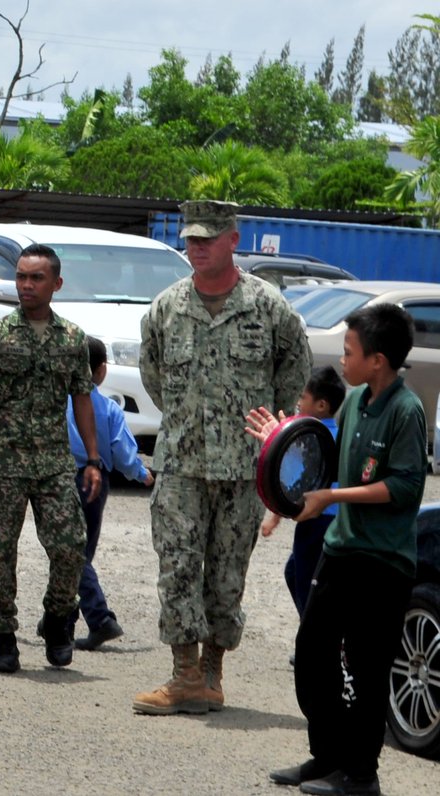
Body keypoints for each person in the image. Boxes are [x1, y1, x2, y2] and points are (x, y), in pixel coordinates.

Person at [134, 200, 310, 715]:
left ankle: (212, 674)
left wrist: (265, 434)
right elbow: (155, 377)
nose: (197, 247)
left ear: (233, 240)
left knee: (228, 572)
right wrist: (189, 422)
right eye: (191, 239)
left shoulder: (268, 306)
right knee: (178, 566)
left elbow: (292, 372)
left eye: (207, 238)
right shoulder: (166, 307)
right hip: (182, 465)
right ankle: (184, 674)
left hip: (243, 467)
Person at [257, 305, 426, 796]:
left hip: (382, 561)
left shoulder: (405, 410)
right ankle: (327, 755)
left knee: (368, 668)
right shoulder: (354, 401)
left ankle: (360, 775)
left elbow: (404, 488)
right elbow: (324, 462)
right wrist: (279, 443)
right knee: (313, 653)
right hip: (341, 550)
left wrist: (331, 498)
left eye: (350, 351)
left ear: (378, 360)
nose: (343, 359)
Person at [0, 244, 100, 673]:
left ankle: (59, 618)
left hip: (54, 462)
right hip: (6, 461)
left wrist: (93, 459)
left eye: (36, 278)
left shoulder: (74, 339)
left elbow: (82, 399)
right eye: (21, 276)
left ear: (56, 283)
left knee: (69, 547)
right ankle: (3, 638)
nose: (26, 285)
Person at [62, 336, 153, 651]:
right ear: (101, 371)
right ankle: (60, 617)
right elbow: (122, 449)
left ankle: (97, 618)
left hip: (60, 478)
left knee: (68, 551)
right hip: (95, 480)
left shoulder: (59, 403)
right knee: (79, 549)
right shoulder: (109, 408)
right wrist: (141, 474)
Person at [258, 366, 345, 618]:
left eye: (303, 397)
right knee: (297, 573)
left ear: (321, 405)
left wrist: (274, 517)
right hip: (335, 521)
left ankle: (313, 640)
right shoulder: (336, 434)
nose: (298, 401)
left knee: (306, 582)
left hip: (315, 521)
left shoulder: (309, 438)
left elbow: (294, 481)